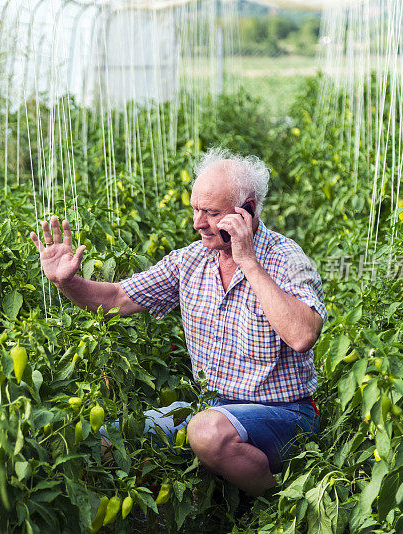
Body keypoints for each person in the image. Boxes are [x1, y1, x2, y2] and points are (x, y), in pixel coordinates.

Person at [29, 148, 326, 496]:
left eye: (211, 213)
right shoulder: (191, 261)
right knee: (103, 439)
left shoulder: (286, 259)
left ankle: (278, 504)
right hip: (211, 410)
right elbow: (115, 299)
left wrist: (247, 260)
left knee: (206, 432)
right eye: (196, 210)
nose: (198, 223)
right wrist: (67, 281)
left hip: (285, 416)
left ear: (248, 209)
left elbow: (302, 334)